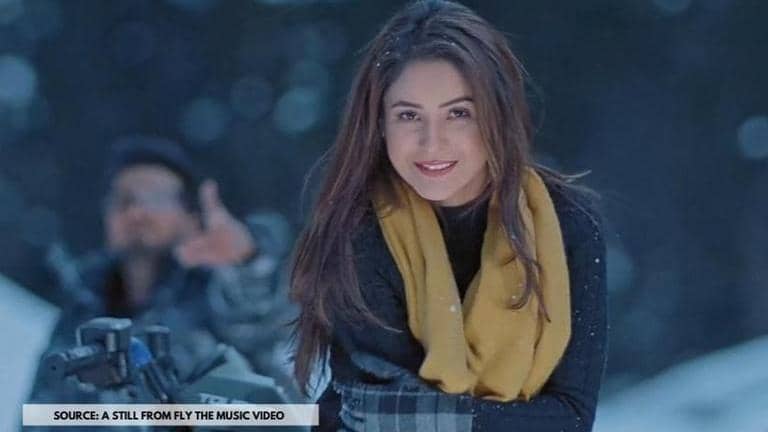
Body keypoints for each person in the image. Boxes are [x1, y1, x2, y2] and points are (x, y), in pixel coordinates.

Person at [289, 1, 607, 431]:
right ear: (379, 123)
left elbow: (570, 417)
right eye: (408, 115)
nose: (431, 142)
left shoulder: (569, 225)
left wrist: (425, 419)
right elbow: (365, 413)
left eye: (458, 113)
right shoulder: (360, 231)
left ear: (496, 115)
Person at [26, 136, 299, 423]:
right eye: (123, 199)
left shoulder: (219, 293)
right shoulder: (81, 306)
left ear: (191, 216)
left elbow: (266, 322)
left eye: (155, 198)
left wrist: (247, 263)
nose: (136, 212)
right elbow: (42, 412)